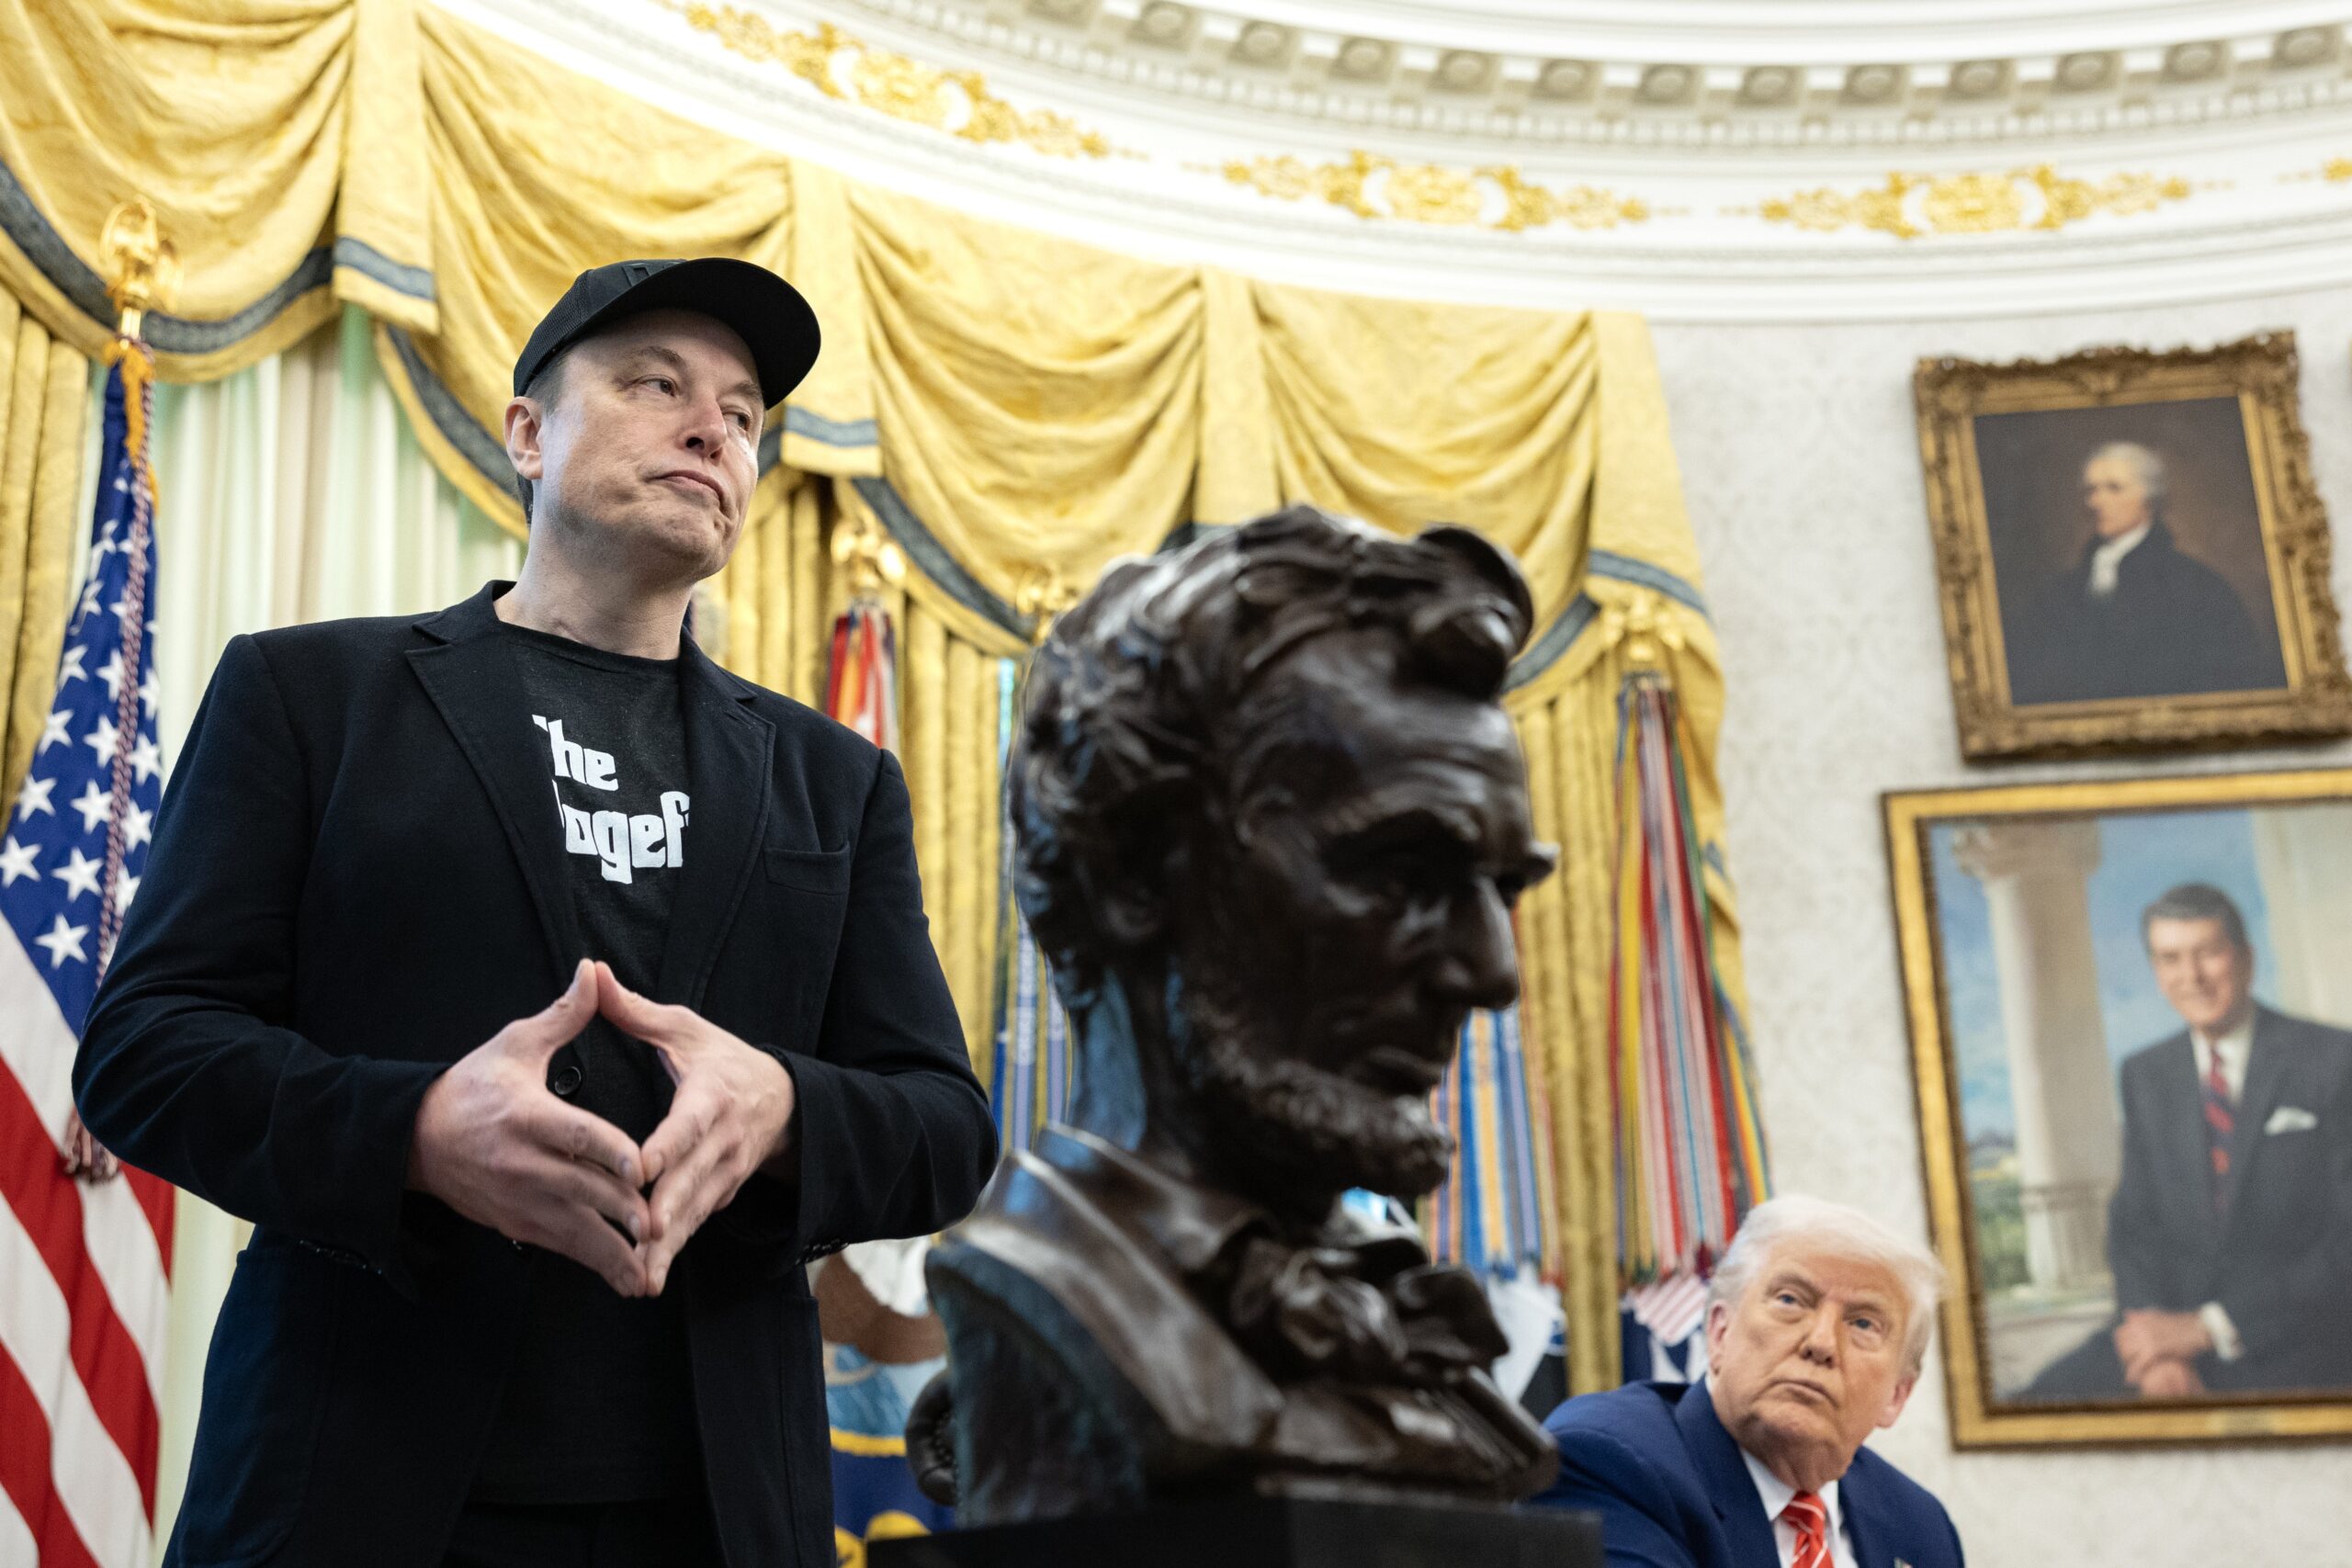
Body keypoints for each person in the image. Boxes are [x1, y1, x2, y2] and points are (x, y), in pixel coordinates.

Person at [74, 258, 996, 1567]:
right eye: (655, 383)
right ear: (526, 432)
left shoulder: (836, 780)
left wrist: (788, 1105)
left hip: (720, 1506)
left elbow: (946, 1126)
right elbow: (143, 1049)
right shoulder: (310, 696)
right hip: (355, 1488)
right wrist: (417, 1130)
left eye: (742, 411)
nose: (712, 427)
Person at [922, 506, 1563, 1525]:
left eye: (1501, 890)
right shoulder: (1058, 1304)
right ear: (1135, 873)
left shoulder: (1418, 1329)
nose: (1491, 974)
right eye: (1401, 876)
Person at [2023, 883, 2352, 1401]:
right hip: (2167, 1337)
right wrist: (2157, 1350)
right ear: (2156, 971)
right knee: (2033, 1406)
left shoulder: (2333, 1060)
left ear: (2245, 959)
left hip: (2301, 1339)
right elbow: (2133, 1227)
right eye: (2170, 959)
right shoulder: (2145, 1074)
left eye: (2209, 954)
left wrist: (2211, 1327)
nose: (2191, 978)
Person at [1532, 1196, 1963, 1568]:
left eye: (1864, 1323)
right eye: (1791, 1300)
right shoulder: (1608, 1461)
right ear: (1719, 1332)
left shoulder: (1920, 1526)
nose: (1821, 1343)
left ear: (1897, 1395)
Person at [2001, 440, 2281, 705]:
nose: (2096, 501)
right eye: (2091, 490)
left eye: (2114, 488)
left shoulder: (2195, 586)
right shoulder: (2061, 591)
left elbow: (2231, 677)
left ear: (2149, 497)